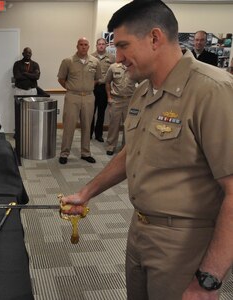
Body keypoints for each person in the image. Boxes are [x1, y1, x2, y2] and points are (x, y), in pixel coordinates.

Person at [61, 1, 233, 300]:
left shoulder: (212, 90)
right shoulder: (143, 90)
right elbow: (132, 153)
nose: (120, 57)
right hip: (139, 231)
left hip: (184, 243)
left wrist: (209, 279)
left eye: (124, 46)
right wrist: (88, 192)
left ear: (155, 38)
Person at [57, 37, 102, 165]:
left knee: (87, 125)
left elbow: (97, 79)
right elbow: (61, 79)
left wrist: (87, 87)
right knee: (69, 126)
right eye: (81, 44)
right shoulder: (68, 61)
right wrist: (70, 88)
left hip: (88, 97)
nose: (83, 46)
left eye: (86, 44)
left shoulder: (95, 62)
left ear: (89, 47)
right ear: (77, 46)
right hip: (72, 96)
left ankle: (85, 153)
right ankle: (64, 153)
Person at [104, 62, 136, 155]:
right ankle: (111, 146)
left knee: (128, 125)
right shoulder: (113, 67)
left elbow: (142, 83)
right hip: (116, 100)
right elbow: (107, 82)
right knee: (114, 124)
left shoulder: (134, 67)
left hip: (130, 100)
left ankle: (125, 147)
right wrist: (109, 97)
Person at [90, 38, 115, 142]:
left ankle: (99, 134)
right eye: (99, 44)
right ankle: (89, 134)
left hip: (104, 88)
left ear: (106, 45)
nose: (101, 46)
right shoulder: (91, 57)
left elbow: (115, 72)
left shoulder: (112, 58)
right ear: (96, 45)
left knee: (101, 112)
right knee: (91, 112)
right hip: (92, 87)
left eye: (103, 44)